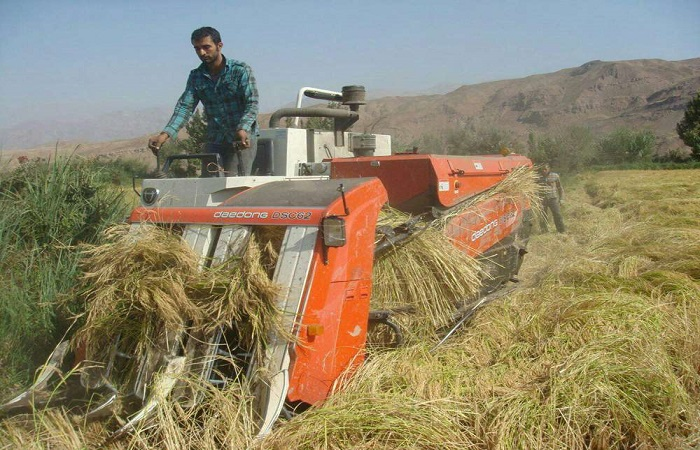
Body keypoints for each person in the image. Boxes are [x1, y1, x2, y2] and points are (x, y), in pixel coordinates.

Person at [148, 27, 259, 176]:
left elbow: (252, 103)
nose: (202, 53)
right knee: (208, 186)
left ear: (219, 46)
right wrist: (165, 134)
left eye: (206, 47)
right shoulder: (196, 76)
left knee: (234, 185)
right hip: (215, 139)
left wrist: (243, 128)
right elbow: (185, 107)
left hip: (241, 140)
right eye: (197, 48)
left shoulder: (240, 70)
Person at [538, 163, 566, 233]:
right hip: (542, 199)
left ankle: (561, 230)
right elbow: (534, 189)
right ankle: (544, 231)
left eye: (545, 169)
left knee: (557, 214)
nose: (544, 171)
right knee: (543, 216)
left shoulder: (555, 176)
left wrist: (561, 199)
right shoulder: (538, 177)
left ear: (549, 169)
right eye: (542, 169)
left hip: (553, 198)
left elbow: (560, 188)